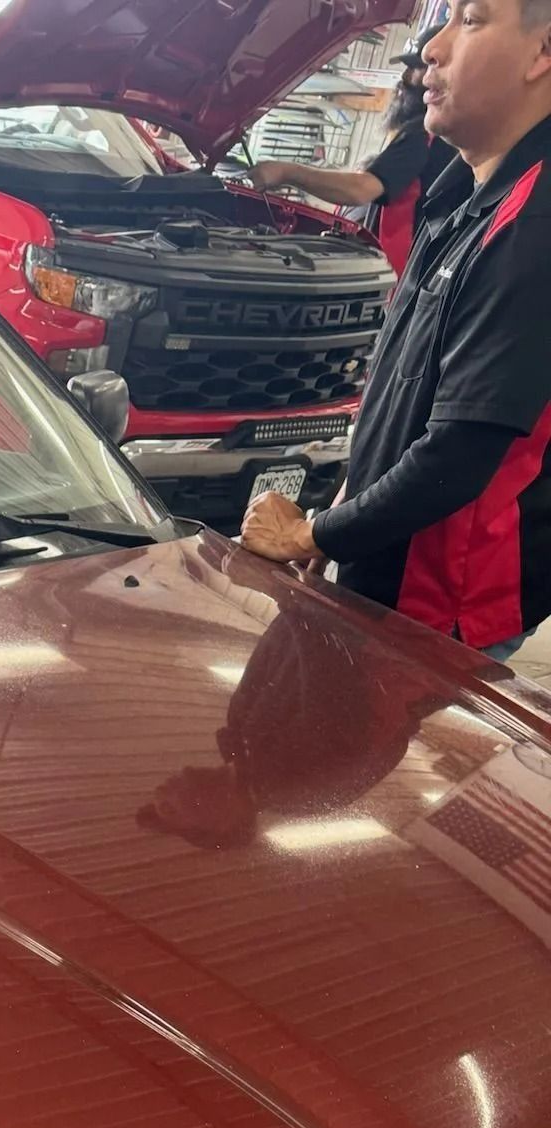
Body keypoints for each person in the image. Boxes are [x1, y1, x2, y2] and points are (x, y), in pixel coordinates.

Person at [238, 0, 551, 665]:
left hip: (441, 597)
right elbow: (402, 395)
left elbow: (458, 454)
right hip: (389, 563)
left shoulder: (534, 223)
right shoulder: (463, 196)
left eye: (470, 19)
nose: (430, 50)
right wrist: (338, 522)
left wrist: (311, 534)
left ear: (542, 53)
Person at [245, 29, 451, 272]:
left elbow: (360, 189)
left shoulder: (423, 135)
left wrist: (286, 172)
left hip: (395, 277)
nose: (404, 77)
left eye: (414, 68)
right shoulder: (442, 134)